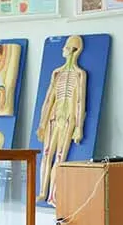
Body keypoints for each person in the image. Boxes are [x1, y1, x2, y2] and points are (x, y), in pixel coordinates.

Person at [37, 36, 87, 206]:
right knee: (46, 154)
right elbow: (48, 99)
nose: (62, 50)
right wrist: (42, 124)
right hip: (53, 118)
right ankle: (42, 192)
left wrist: (79, 127)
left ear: (73, 49)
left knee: (59, 156)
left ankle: (53, 195)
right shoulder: (57, 73)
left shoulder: (80, 74)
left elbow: (79, 101)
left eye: (65, 47)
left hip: (68, 120)